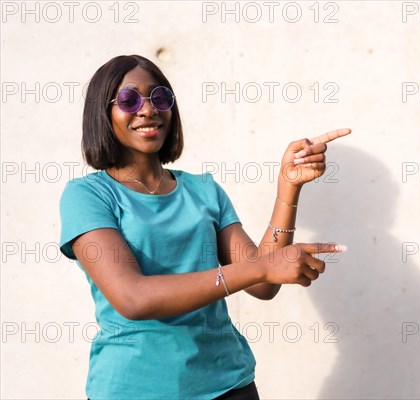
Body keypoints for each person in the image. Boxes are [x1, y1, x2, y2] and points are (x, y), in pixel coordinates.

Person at [59, 54, 350, 400]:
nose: (148, 109)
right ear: (103, 113)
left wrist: (288, 188)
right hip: (134, 389)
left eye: (159, 97)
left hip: (227, 385)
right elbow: (133, 298)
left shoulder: (203, 190)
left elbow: (262, 284)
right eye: (129, 99)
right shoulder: (88, 196)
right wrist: (262, 266)